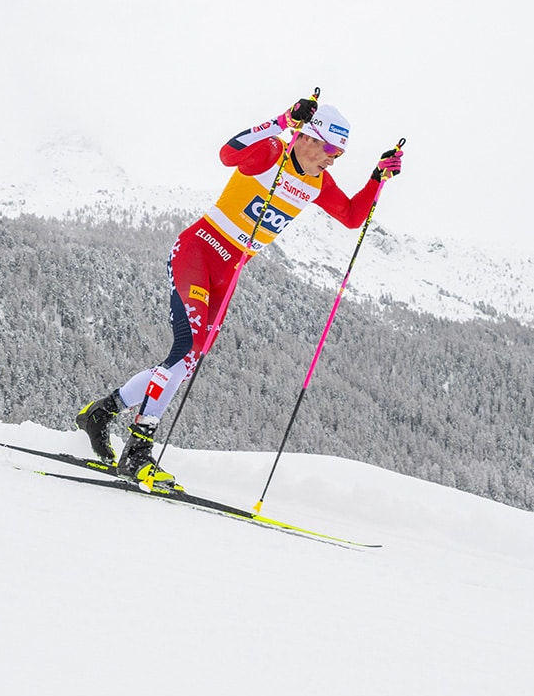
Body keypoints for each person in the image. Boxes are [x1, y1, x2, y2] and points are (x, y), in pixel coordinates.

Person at [74, 95, 402, 491]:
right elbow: (228, 154)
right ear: (308, 137)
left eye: (341, 153)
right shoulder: (272, 152)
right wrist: (283, 120)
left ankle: (103, 412)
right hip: (199, 251)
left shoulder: (317, 182)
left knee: (186, 362)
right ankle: (138, 452)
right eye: (330, 149)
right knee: (185, 349)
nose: (333, 159)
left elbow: (352, 217)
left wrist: (376, 178)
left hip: (229, 271)